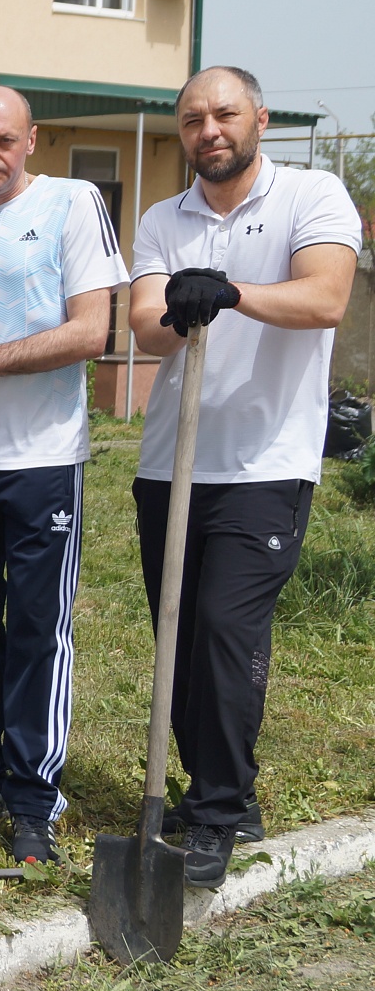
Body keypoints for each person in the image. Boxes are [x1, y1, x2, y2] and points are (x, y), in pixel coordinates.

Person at [129, 66, 361, 889]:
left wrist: (230, 291)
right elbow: (144, 327)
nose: (209, 131)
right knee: (182, 638)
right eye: (192, 119)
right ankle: (223, 792)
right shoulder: (164, 217)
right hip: (172, 464)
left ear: (257, 118)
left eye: (224, 114)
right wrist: (175, 310)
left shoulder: (312, 196)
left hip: (265, 463)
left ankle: (218, 814)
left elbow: (325, 297)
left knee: (227, 631)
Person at [0, 86, 128, 865]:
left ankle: (35, 793)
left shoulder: (75, 204)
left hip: (41, 461)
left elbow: (90, 331)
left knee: (39, 631)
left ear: (32, 139)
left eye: (5, 140)